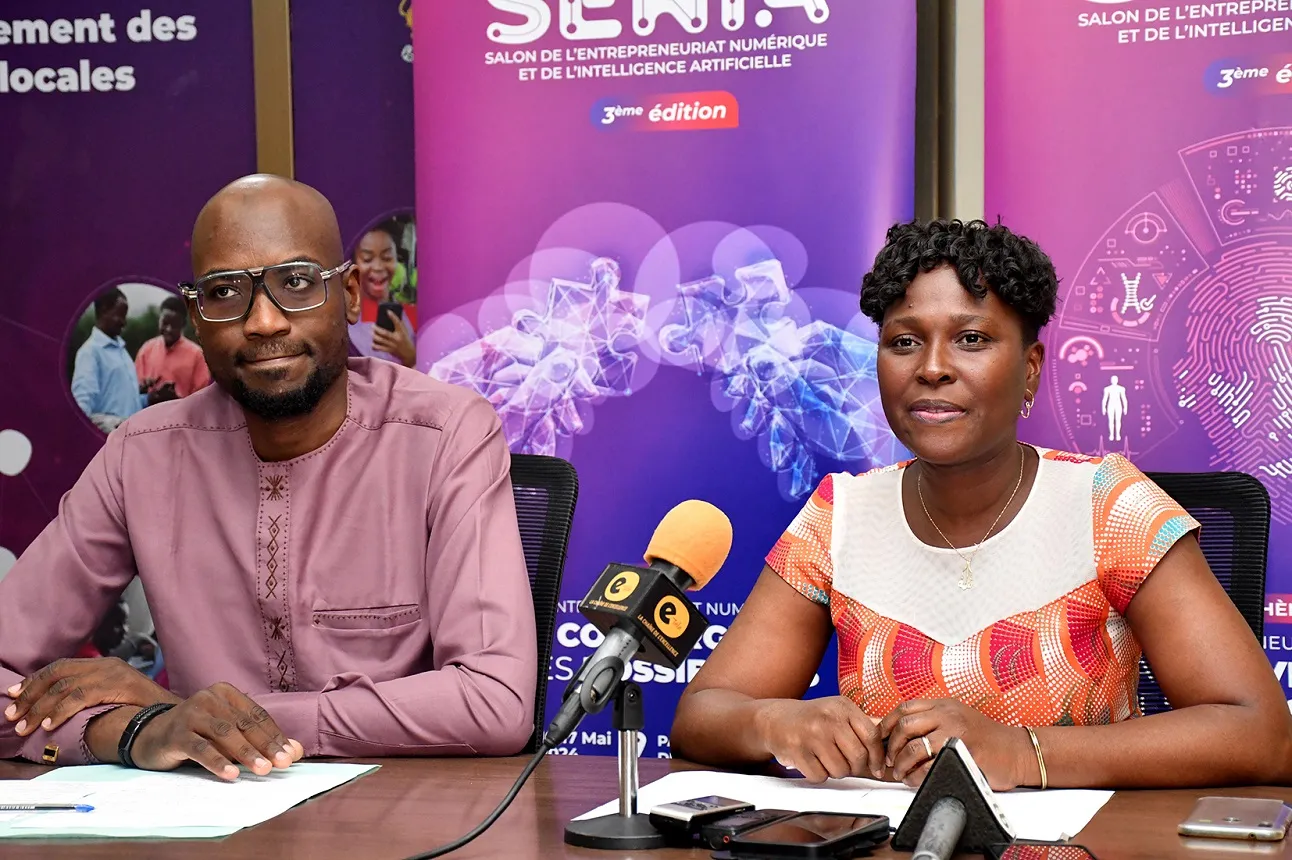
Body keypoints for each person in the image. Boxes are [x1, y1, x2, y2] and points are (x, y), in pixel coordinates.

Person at [671, 219, 1292, 790]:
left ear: (1030, 369)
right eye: (904, 341)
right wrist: (776, 722)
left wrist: (1024, 753)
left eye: (971, 339)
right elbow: (703, 714)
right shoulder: (839, 515)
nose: (932, 368)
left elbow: (1262, 733)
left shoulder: (1109, 506)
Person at [1, 175, 536, 779]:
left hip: (403, 812)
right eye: (225, 292)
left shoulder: (444, 434)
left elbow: (493, 701)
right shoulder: (142, 455)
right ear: (198, 318)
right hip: (208, 815)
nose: (263, 321)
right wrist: (137, 730)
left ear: (349, 295)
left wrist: (197, 716)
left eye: (297, 283)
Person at [70, 289, 173, 431]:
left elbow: (126, 404)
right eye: (120, 315)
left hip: (131, 436)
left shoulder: (122, 351)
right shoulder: (90, 353)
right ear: (104, 310)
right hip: (109, 440)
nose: (124, 322)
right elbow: (81, 409)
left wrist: (150, 398)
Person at [347, 225, 418, 368]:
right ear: (354, 266)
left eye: (387, 258)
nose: (378, 267)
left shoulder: (412, 316)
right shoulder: (344, 321)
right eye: (367, 259)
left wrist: (410, 357)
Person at [135, 295, 211, 398]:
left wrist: (175, 398)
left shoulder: (197, 355)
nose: (169, 329)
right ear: (159, 320)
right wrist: (146, 390)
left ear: (183, 325)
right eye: (165, 323)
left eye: (174, 325)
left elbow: (201, 397)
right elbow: (135, 390)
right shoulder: (146, 349)